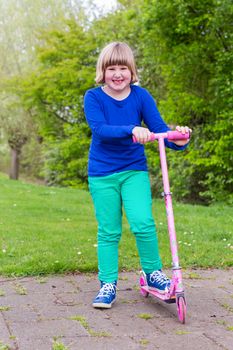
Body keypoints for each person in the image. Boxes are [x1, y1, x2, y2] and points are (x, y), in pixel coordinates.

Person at [84, 42, 191, 309]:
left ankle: (153, 274)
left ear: (132, 71)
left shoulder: (141, 96)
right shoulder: (93, 97)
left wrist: (178, 139)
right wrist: (132, 128)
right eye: (111, 69)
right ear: (103, 71)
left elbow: (157, 129)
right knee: (109, 230)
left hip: (134, 171)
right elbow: (100, 129)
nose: (117, 74)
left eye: (123, 68)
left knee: (143, 222)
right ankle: (107, 284)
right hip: (102, 173)